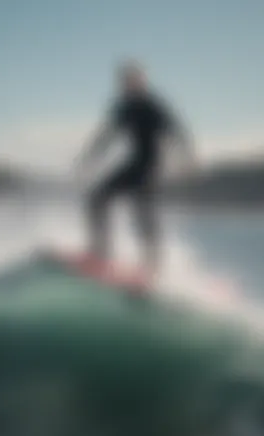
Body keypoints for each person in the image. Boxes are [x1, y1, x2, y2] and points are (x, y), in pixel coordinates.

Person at [75, 60, 195, 276]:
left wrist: (186, 157)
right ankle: (101, 251)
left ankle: (153, 265)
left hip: (150, 167)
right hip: (133, 164)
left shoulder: (153, 105)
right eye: (125, 82)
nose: (129, 85)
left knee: (142, 213)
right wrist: (89, 157)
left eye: (134, 81)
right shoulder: (123, 107)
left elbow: (177, 131)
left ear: (142, 82)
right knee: (96, 199)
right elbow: (107, 136)